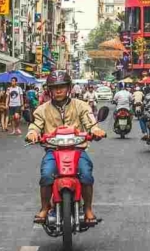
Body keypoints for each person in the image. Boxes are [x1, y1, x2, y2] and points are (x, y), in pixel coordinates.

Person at [27, 70, 105, 226]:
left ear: (69, 88)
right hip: (53, 151)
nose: (59, 90)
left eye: (62, 86)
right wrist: (32, 133)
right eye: (55, 87)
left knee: (86, 174)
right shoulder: (42, 109)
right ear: (49, 90)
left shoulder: (81, 105)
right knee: (47, 174)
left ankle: (88, 208)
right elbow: (35, 125)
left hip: (77, 149)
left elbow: (90, 121)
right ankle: (44, 207)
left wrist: (96, 130)